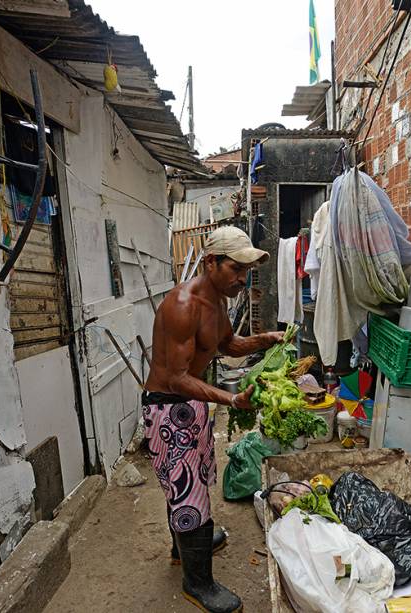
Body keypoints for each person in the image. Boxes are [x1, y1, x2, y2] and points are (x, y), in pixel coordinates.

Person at [143, 226, 283, 613]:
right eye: (236, 269)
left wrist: (264, 339)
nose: (243, 279)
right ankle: (197, 582)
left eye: (247, 271)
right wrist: (231, 398)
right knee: (187, 494)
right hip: (169, 408)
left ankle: (183, 548)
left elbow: (226, 345)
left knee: (197, 482)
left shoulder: (219, 301)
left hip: (193, 404)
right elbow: (175, 377)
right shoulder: (182, 305)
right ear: (211, 262)